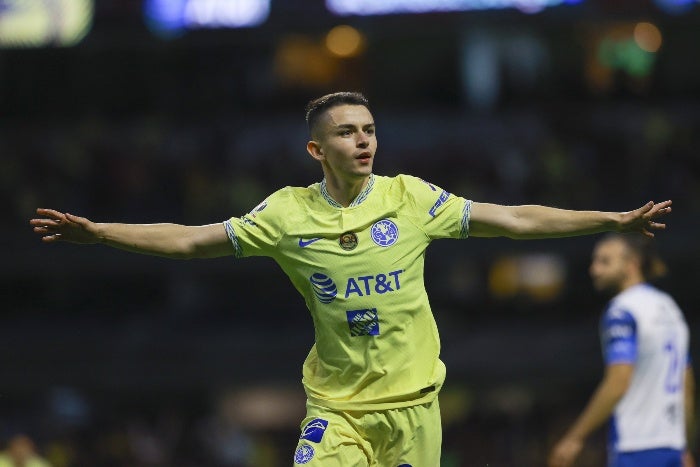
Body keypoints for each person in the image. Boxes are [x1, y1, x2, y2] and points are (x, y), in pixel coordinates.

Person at [31, 91, 673, 467]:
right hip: (337, 410)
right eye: (346, 133)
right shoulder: (285, 213)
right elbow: (193, 240)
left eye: (369, 130)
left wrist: (608, 218)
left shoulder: (409, 198)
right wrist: (100, 232)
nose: (363, 141)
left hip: (417, 409)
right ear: (318, 149)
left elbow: (515, 220)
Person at [549, 233, 695, 467]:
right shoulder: (670, 308)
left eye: (605, 262)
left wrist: (574, 437)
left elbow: (618, 381)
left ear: (631, 265)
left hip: (635, 446)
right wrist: (684, 446)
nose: (594, 270)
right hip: (672, 447)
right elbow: (686, 386)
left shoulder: (622, 310)